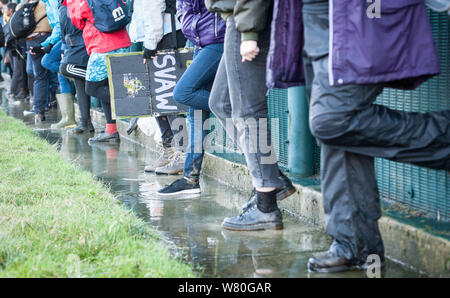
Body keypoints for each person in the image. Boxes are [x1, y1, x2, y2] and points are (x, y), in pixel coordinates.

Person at [290, 0, 449, 273]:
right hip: (314, 22)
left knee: (332, 121)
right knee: (339, 136)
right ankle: (356, 246)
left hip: (357, 16)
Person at [205, 0, 295, 230]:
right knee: (220, 102)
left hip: (247, 21)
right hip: (238, 18)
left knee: (248, 112)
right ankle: (275, 179)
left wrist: (248, 33)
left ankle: (266, 207)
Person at [155, 0, 226, 195]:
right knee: (195, 113)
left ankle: (229, 107)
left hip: (218, 40)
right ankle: (190, 178)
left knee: (183, 92)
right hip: (200, 42)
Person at [128, 0, 187, 174]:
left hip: (165, 36)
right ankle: (170, 151)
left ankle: (181, 154)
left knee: (167, 96)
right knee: (159, 97)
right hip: (161, 35)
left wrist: (151, 44)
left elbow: (153, 8)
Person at [67, 0, 131, 143]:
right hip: (123, 42)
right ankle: (111, 130)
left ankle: (130, 108)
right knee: (106, 86)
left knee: (92, 87)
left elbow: (77, 21)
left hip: (103, 45)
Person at [58, 0, 93, 134]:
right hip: (74, 43)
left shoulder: (71, 4)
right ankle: (85, 123)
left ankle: (95, 80)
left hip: (82, 42)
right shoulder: (62, 5)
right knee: (79, 83)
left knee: (65, 68)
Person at [26, 0, 54, 123]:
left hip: (30, 40)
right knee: (48, 74)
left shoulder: (26, 5)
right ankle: (47, 104)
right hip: (45, 37)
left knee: (39, 76)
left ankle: (39, 110)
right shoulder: (47, 3)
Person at [4, 2, 29, 101]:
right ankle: (19, 91)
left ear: (11, 10)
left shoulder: (16, 19)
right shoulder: (13, 19)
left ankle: (15, 92)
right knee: (19, 70)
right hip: (15, 48)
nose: (5, 11)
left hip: (17, 48)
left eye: (6, 9)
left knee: (19, 71)